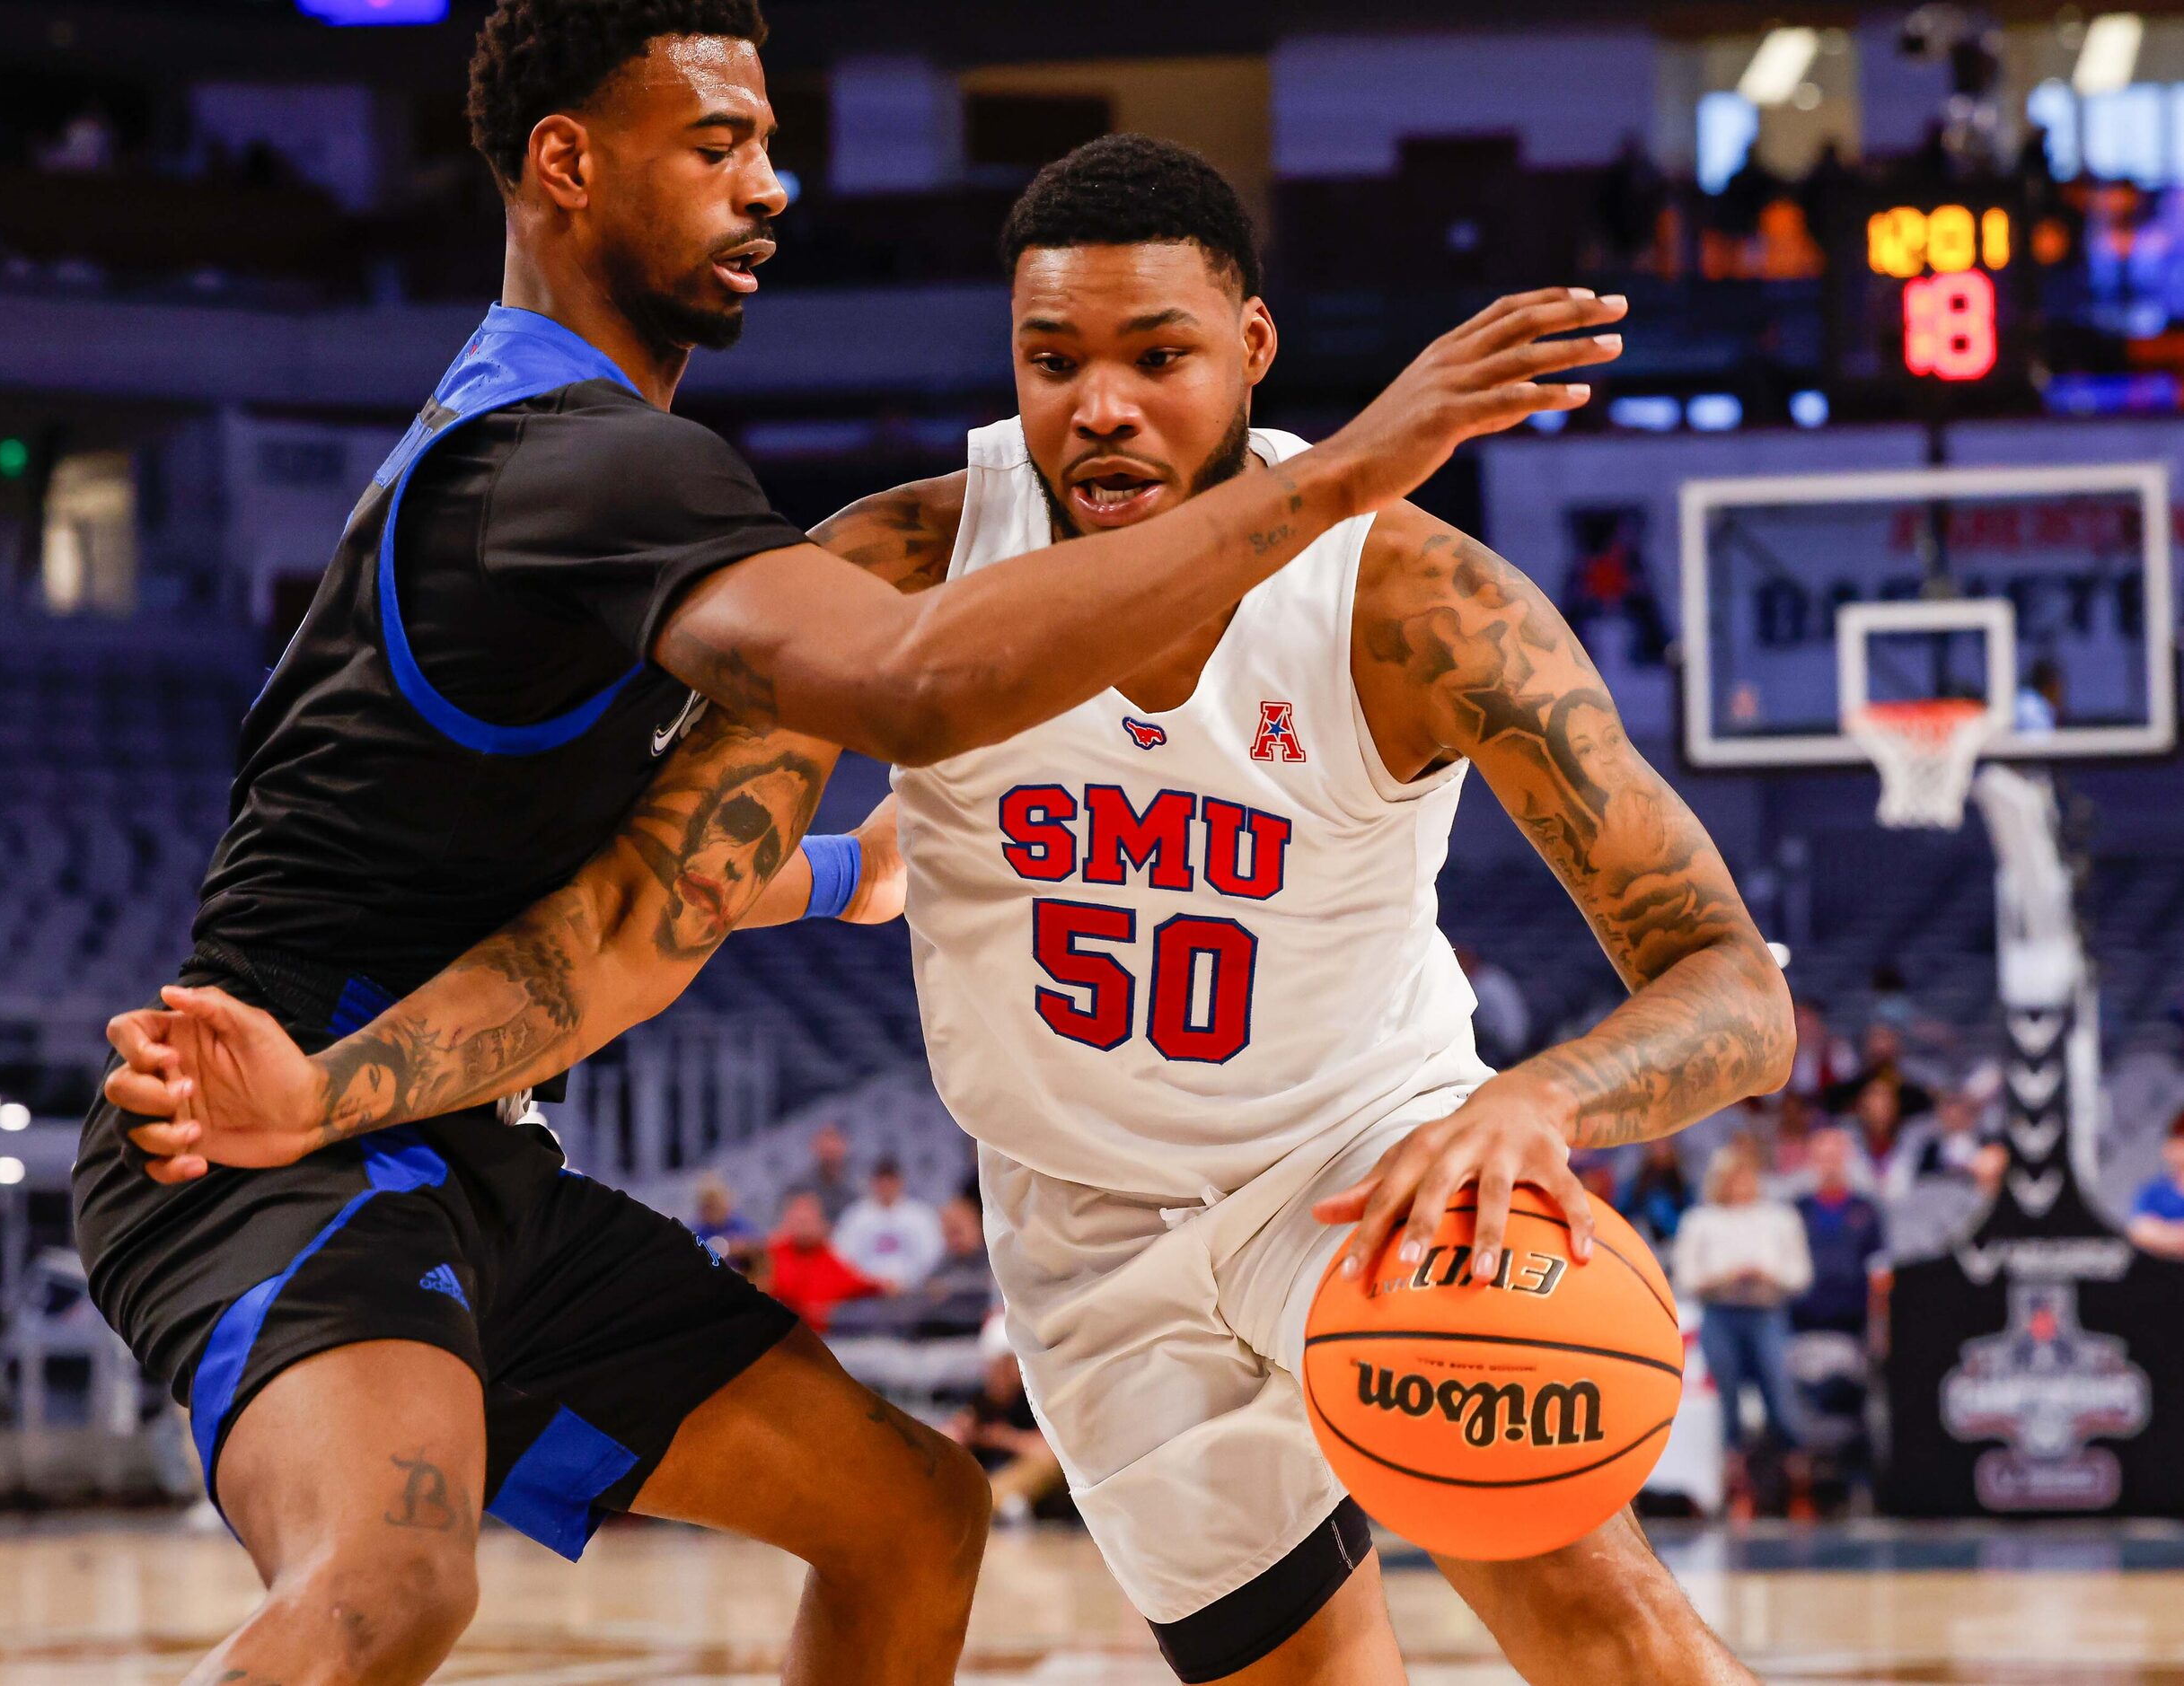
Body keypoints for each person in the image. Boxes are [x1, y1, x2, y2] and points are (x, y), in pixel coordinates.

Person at [114, 137, 1783, 1684]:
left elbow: (1734, 986)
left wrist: (1536, 1098)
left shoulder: (1415, 602)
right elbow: (636, 919)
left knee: (1591, 1603)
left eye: (1157, 354)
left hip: (1359, 1160)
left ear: (1255, 348)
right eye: (1054, 361)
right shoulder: (898, 574)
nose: (1101, 407)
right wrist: (333, 1089)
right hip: (1086, 1240)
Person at [1675, 1145, 1810, 1471]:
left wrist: (1768, 1275)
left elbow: (1800, 1275)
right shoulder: (1701, 1220)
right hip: (1720, 1313)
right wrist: (1723, 1277)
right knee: (1725, 1399)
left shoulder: (1780, 1217)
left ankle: (1794, 1470)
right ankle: (1732, 1476)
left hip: (1766, 1312)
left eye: (1746, 1175)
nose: (1740, 1183)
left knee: (1780, 1391)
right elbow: (1685, 1277)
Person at [947, 1317, 1062, 1527]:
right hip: (991, 1479)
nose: (1002, 1373)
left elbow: (1051, 1453)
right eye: (996, 1365)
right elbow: (950, 1436)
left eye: (1008, 1364)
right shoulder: (981, 1400)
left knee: (1045, 1463)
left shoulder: (1036, 1398)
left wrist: (1002, 1437)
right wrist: (959, 1436)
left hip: (1040, 1491)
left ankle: (991, 1502)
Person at [1787, 1128, 1886, 1341]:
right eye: (1823, 1159)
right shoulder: (1797, 1210)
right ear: (1812, 1161)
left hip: (1852, 1317)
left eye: (1834, 1157)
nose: (1829, 1165)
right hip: (1803, 1316)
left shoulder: (1866, 1210)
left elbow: (1878, 1263)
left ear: (1846, 1158)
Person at [762, 1190, 884, 1335]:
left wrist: (884, 1284)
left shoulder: (830, 1257)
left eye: (807, 1221)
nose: (803, 1228)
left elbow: (859, 1283)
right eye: (798, 1221)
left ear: (821, 1223)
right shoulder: (770, 1254)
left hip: (822, 1339)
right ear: (786, 1222)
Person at [832, 1156, 944, 1290]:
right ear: (872, 1182)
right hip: (866, 1294)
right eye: (881, 1180)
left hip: (912, 1292)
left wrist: (904, 1282)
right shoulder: (856, 1216)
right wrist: (872, 1283)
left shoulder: (920, 1215)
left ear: (901, 1181)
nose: (886, 1185)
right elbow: (843, 1257)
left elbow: (932, 1257)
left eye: (890, 1179)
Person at [911, 1193, 998, 1338]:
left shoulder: (992, 1256)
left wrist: (948, 1288)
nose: (954, 1239)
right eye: (949, 1233)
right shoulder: (945, 1261)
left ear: (976, 1226)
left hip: (984, 1330)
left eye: (958, 1232)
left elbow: (988, 1285)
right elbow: (926, 1289)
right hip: (948, 1331)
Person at [1615, 1136, 1691, 1249]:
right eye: (1655, 1144)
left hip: (1671, 1244)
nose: (1659, 1149)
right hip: (1639, 1240)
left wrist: (1667, 1219)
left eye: (1663, 1144)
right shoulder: (1638, 1181)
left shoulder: (1681, 1183)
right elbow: (1620, 1211)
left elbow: (1689, 1219)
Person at [2127, 1110, 2184, 1260]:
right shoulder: (2153, 1192)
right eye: (2180, 1139)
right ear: (2168, 1148)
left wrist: (2166, 1232)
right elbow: (2142, 1232)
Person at [786, 1120, 859, 1222]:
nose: (830, 1147)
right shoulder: (800, 1187)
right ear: (814, 1146)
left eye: (835, 1141)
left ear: (845, 1145)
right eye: (825, 1142)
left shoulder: (856, 1188)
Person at [688, 1170, 754, 1260]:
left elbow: (759, 1246)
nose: (712, 1210)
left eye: (715, 1204)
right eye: (708, 1205)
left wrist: (741, 1247)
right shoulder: (695, 1232)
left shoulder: (739, 1225)